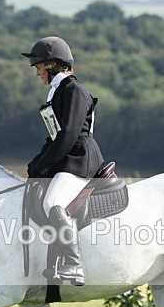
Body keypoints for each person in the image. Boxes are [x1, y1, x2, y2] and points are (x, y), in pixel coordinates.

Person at [22, 36, 105, 286]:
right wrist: (36, 163)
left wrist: (44, 165)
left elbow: (68, 135)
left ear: (51, 65)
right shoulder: (57, 91)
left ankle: (74, 264)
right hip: (67, 157)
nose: (37, 73)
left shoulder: (74, 90)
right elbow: (55, 136)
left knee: (53, 202)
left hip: (80, 159)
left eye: (38, 67)